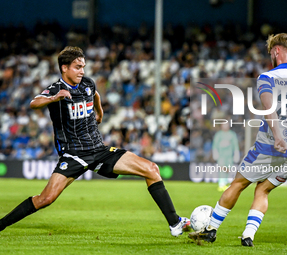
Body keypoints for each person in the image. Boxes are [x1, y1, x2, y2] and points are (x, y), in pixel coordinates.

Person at [0, 46, 189, 237]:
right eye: (77, 67)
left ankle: (175, 223)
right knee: (46, 199)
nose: (82, 71)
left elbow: (95, 94)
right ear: (64, 68)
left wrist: (99, 111)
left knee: (151, 169)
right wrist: (55, 98)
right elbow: (34, 102)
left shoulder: (87, 83)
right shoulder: (56, 89)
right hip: (74, 154)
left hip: (99, 151)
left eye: (83, 66)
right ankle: (1, 224)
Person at [189, 33, 287, 246]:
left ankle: (211, 229)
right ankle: (248, 235)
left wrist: (278, 136)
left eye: (270, 52)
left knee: (239, 183)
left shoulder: (267, 78)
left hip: (270, 146)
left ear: (276, 51)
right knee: (263, 189)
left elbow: (269, 109)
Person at [212, 123, 240, 191]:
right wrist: (215, 153)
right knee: (222, 168)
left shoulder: (232, 134)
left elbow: (235, 145)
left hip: (229, 156)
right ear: (221, 126)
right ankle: (221, 184)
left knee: (228, 169)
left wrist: (236, 153)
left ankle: (224, 183)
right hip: (221, 155)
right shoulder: (219, 134)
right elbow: (215, 145)